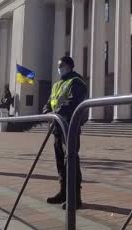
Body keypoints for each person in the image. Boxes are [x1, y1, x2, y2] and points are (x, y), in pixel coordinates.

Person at [42, 56, 87, 210]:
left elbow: (73, 102)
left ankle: (75, 198)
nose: (59, 68)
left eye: (61, 66)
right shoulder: (57, 85)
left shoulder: (77, 81)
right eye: (58, 66)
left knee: (71, 160)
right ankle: (63, 192)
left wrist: (58, 114)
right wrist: (47, 112)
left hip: (69, 126)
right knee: (60, 161)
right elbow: (49, 103)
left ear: (69, 66)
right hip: (57, 127)